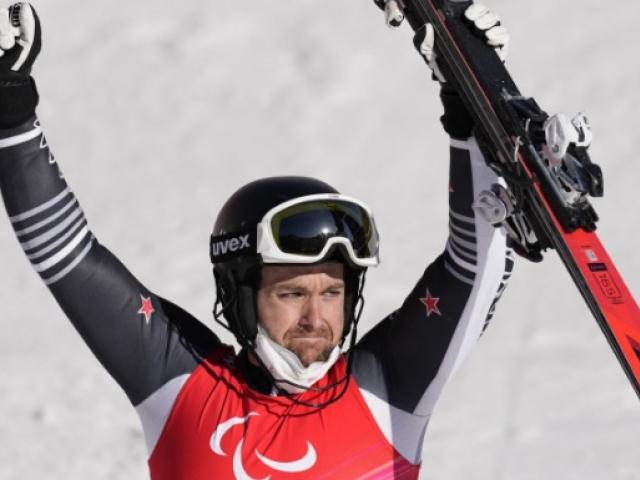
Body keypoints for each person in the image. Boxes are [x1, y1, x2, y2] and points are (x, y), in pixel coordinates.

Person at [0, 2, 513, 479]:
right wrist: (11, 112)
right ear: (239, 296)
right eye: (291, 293)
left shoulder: (389, 387)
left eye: (331, 293)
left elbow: (473, 268)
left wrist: (470, 106)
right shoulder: (182, 383)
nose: (316, 320)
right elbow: (67, 253)